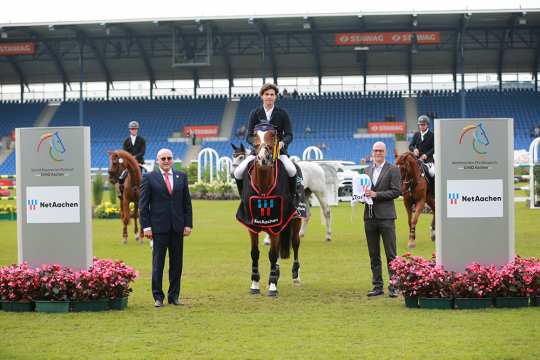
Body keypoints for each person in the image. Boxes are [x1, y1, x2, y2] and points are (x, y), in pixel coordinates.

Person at [139, 148, 193, 308]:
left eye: (169, 158)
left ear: (172, 160)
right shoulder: (149, 178)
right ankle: (158, 297)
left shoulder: (181, 177)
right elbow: (143, 205)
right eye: (163, 158)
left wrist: (188, 224)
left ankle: (174, 296)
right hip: (158, 228)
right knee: (158, 264)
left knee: (177, 264)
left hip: (177, 227)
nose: (166, 161)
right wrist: (146, 227)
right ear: (158, 161)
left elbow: (187, 203)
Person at [241, 83, 299, 198]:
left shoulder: (282, 113)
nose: (269, 97)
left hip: (278, 152)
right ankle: (243, 199)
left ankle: (293, 198)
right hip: (258, 152)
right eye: (266, 94)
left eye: (272, 94)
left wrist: (283, 143)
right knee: (237, 172)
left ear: (275, 97)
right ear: (262, 96)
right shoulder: (255, 113)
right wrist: (258, 145)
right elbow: (248, 136)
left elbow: (289, 135)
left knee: (291, 170)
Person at [363, 141, 401, 298]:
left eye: (380, 150)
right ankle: (377, 286)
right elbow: (362, 191)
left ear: (385, 152)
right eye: (375, 150)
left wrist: (376, 195)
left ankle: (394, 286)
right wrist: (360, 196)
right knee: (374, 254)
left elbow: (396, 191)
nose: (377, 153)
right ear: (372, 152)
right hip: (369, 217)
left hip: (386, 217)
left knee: (391, 253)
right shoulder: (366, 170)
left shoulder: (393, 169)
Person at [119, 121, 147, 191]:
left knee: (146, 178)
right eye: (132, 129)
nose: (133, 130)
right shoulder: (126, 141)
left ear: (137, 129)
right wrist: (131, 158)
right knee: (121, 178)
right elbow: (125, 152)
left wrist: (135, 157)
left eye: (135, 129)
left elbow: (142, 152)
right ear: (129, 130)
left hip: (139, 163)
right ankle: (121, 191)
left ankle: (146, 192)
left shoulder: (142, 140)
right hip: (129, 164)